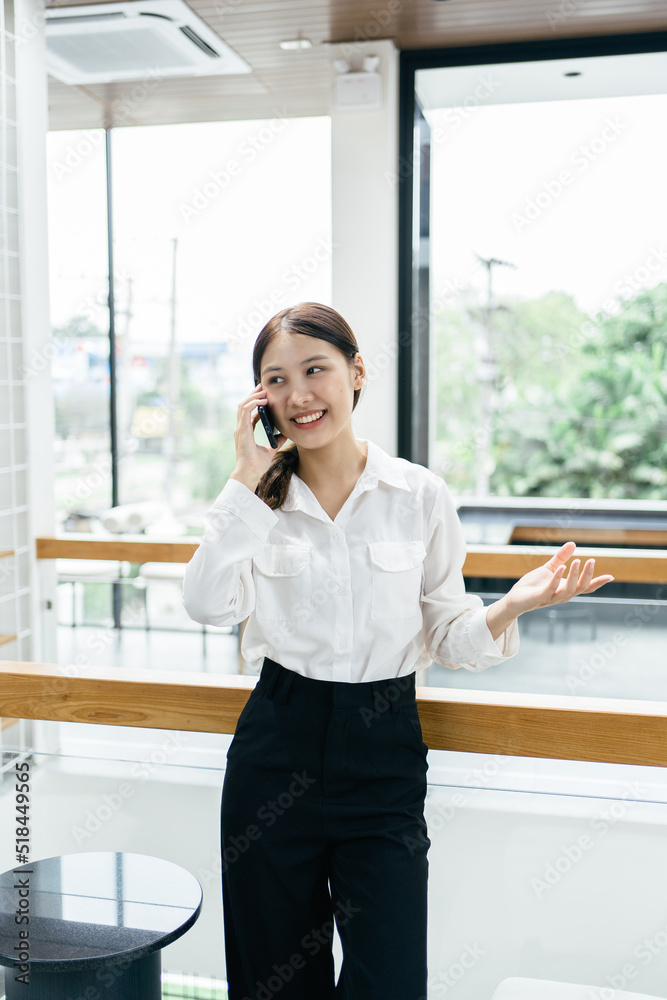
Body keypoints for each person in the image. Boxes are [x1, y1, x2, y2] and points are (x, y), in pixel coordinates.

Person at [182, 301, 614, 1000]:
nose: (298, 395)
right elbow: (204, 604)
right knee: (271, 981)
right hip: (275, 747)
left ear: (355, 372)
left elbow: (447, 634)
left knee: (389, 980)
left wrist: (512, 604)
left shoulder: (418, 495)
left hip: (381, 751)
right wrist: (245, 480)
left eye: (314, 370)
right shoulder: (254, 505)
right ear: (258, 401)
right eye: (276, 380)